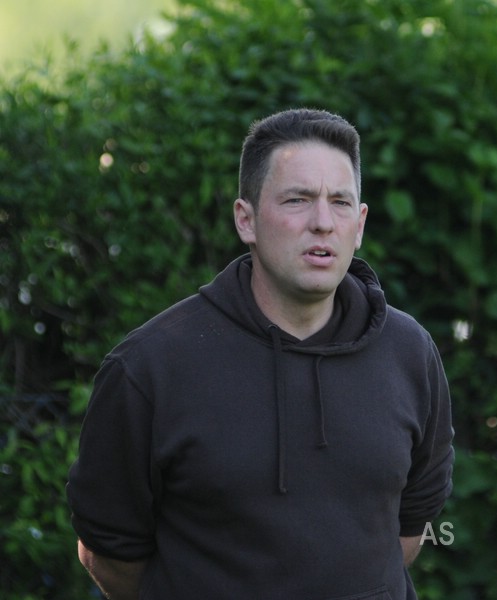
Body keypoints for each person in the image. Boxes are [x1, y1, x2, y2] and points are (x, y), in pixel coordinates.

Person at [67, 108, 454, 600]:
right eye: (297, 200)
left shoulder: (410, 353)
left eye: (339, 203)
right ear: (245, 220)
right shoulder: (150, 368)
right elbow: (107, 550)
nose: (322, 223)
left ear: (359, 226)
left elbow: (412, 523)